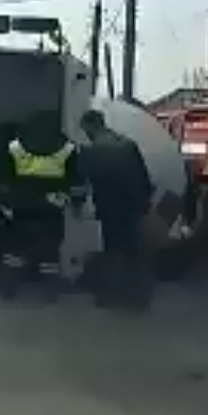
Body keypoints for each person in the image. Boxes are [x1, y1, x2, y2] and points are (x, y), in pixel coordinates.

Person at [0, 110, 85, 302]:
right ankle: (51, 293)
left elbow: (3, 180)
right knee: (49, 251)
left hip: (22, 206)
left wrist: (5, 203)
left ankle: (7, 288)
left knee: (16, 250)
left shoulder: (15, 148)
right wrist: (77, 204)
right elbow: (76, 182)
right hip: (52, 207)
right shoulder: (67, 149)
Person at [79, 109, 154, 310]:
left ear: (89, 127)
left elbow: (81, 183)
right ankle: (138, 298)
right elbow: (143, 177)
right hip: (133, 205)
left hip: (108, 208)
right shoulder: (128, 144)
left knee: (113, 250)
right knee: (133, 250)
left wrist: (78, 204)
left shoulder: (90, 151)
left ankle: (110, 296)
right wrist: (144, 202)